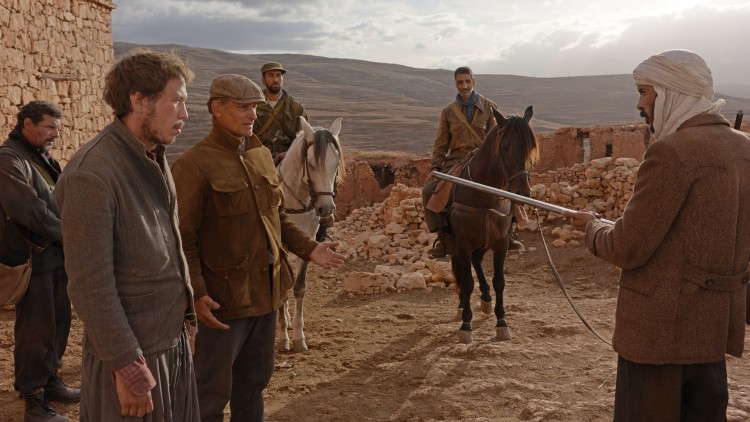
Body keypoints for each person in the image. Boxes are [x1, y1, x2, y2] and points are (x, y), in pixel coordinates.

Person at [564, 49, 749, 421]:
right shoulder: (744, 149)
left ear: (670, 92)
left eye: (645, 92)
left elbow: (627, 246)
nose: (640, 103)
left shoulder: (671, 152)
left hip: (657, 338)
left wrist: (591, 227)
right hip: (712, 334)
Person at [171, 74, 345, 422]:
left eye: (254, 107)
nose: (252, 115)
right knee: (210, 392)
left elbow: (277, 215)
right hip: (223, 304)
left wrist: (310, 249)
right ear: (216, 108)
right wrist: (198, 294)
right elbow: (182, 238)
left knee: (252, 385)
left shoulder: (262, 156)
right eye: (243, 107)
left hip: (267, 296)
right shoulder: (193, 165)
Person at [55, 49, 199, 421]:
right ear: (139, 100)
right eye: (177, 102)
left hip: (168, 345)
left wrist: (185, 317)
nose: (186, 114)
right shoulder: (93, 174)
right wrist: (126, 365)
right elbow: (90, 285)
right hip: (131, 356)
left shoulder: (153, 155)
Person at [0, 101, 79, 422]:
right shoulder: (8, 160)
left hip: (55, 256)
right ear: (26, 124)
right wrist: (69, 235)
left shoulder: (38, 157)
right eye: (49, 127)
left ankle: (50, 380)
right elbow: (28, 210)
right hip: (33, 259)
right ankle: (33, 399)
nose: (55, 135)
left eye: (58, 128)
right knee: (36, 328)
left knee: (60, 322)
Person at [423, 66, 523, 257]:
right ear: (456, 84)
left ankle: (509, 232)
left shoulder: (489, 108)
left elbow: (498, 137)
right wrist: (435, 166)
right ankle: (444, 238)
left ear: (473, 82)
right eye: (460, 82)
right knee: (429, 190)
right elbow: (441, 143)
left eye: (467, 81)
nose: (464, 86)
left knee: (511, 185)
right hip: (457, 160)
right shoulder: (448, 112)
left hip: (484, 158)